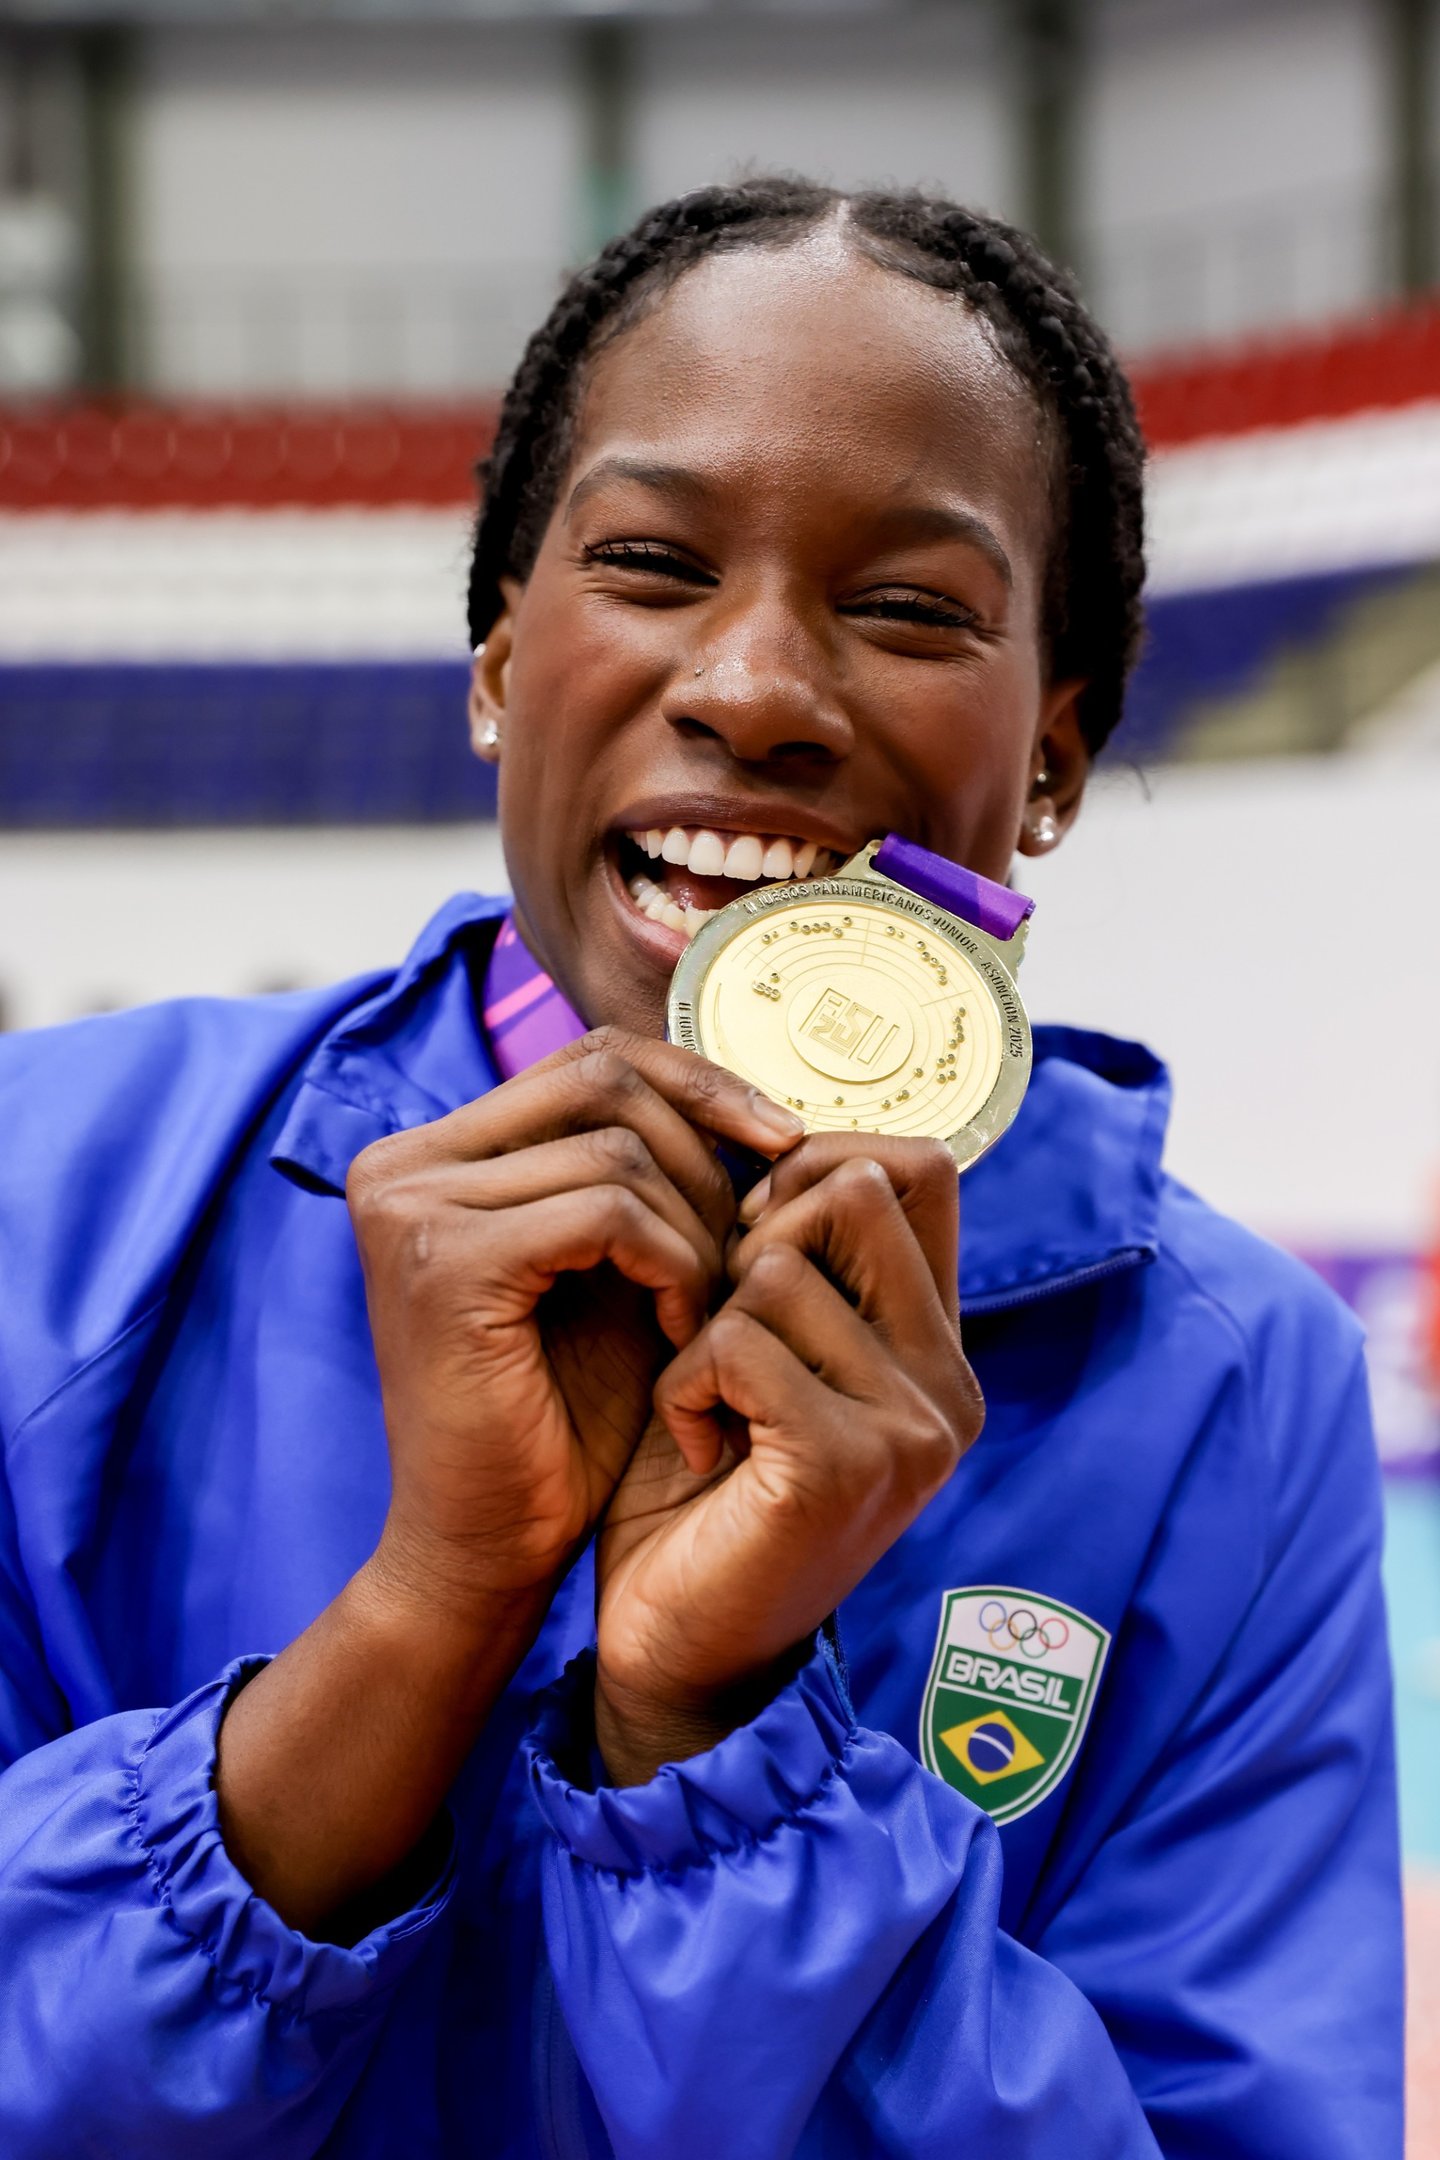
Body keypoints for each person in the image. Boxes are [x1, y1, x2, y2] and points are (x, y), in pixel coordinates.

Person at [0, 181, 1401, 2158]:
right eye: (652, 564)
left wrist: (720, 1733)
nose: (754, 689)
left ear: (1054, 761)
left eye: (910, 608)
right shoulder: (49, 1193)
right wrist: (423, 1615)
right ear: (500, 663)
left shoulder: (1227, 1384)